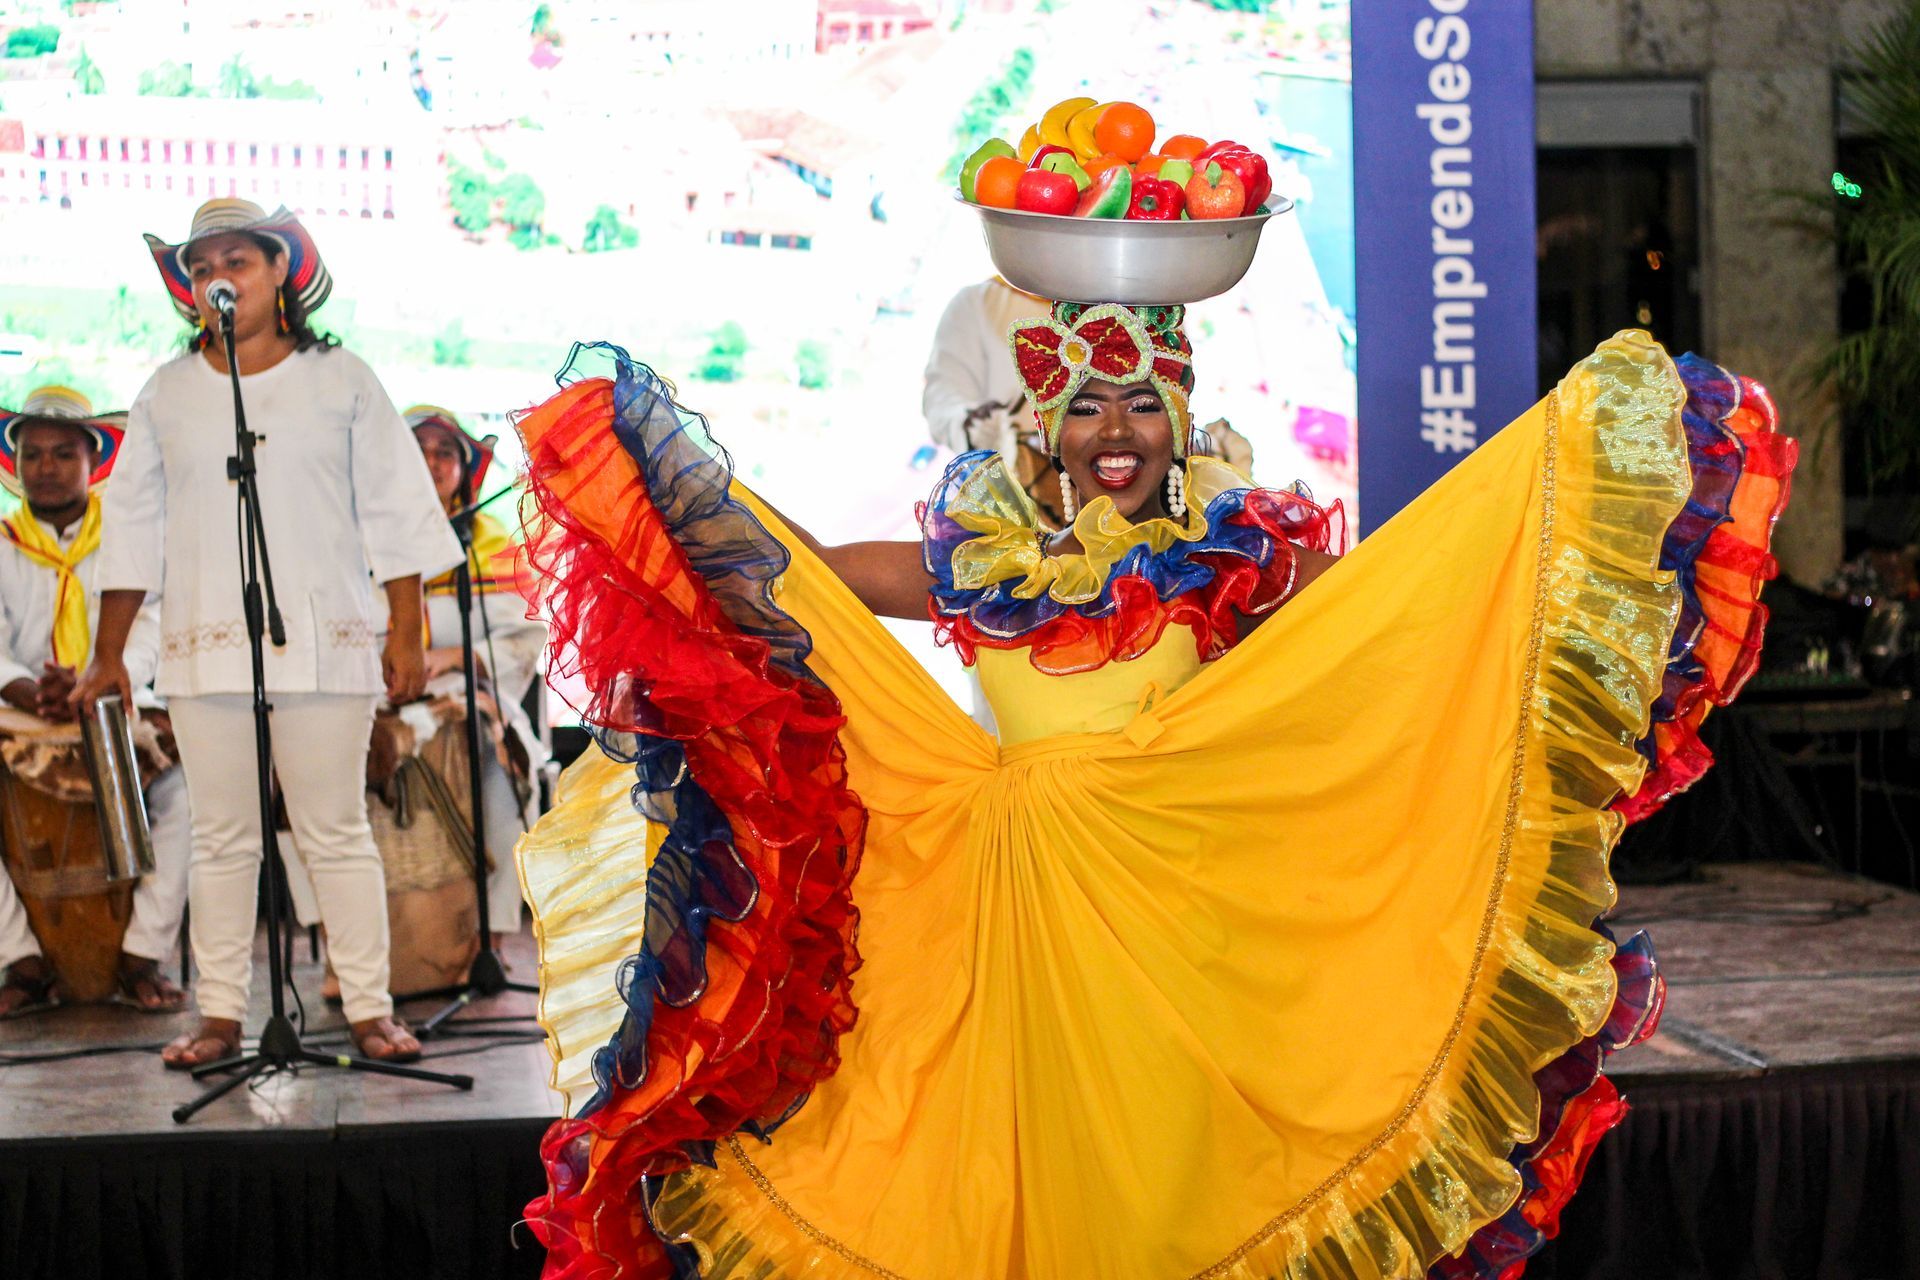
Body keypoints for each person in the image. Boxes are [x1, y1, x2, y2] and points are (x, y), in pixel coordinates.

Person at [509, 281, 1792, 1271]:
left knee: (1170, 1205)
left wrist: (1536, 507)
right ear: (1045, 425)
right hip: (1007, 932)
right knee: (1018, 1201)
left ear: (1176, 418)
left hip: (1178, 943)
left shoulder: (1229, 559)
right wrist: (660, 498)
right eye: (1083, 404)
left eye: (1137, 405)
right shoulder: (983, 561)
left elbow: (1403, 605)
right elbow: (801, 581)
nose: (1110, 431)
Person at [72, 199, 461, 1067]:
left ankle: (368, 1007)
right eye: (204, 264)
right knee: (223, 837)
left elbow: (396, 506)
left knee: (333, 829)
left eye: (239, 260)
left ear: (280, 271)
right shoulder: (166, 393)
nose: (221, 276)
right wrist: (108, 654)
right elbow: (130, 527)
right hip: (207, 646)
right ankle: (218, 1015)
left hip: (327, 639)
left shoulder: (342, 378)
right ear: (189, 286)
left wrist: (407, 624)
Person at [0, 386, 190, 1017]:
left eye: (61, 454)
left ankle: (143, 954)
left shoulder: (130, 538)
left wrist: (103, 680)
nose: (44, 468)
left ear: (93, 462)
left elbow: (153, 620)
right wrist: (32, 692)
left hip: (117, 697)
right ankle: (18, 958)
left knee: (184, 792)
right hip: (22, 708)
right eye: (31, 455)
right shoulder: (2, 540)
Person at [406, 404, 545, 943]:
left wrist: (460, 658)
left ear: (465, 470)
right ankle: (363, 946)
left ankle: (488, 930)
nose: (433, 461)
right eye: (419, 449)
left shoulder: (489, 542)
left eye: (446, 452)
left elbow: (527, 638)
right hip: (378, 693)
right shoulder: (361, 536)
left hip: (472, 694)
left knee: (498, 756)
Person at [921, 275, 1051, 455]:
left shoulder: (1100, 303)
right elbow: (942, 396)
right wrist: (973, 425)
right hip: (1012, 473)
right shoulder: (978, 300)